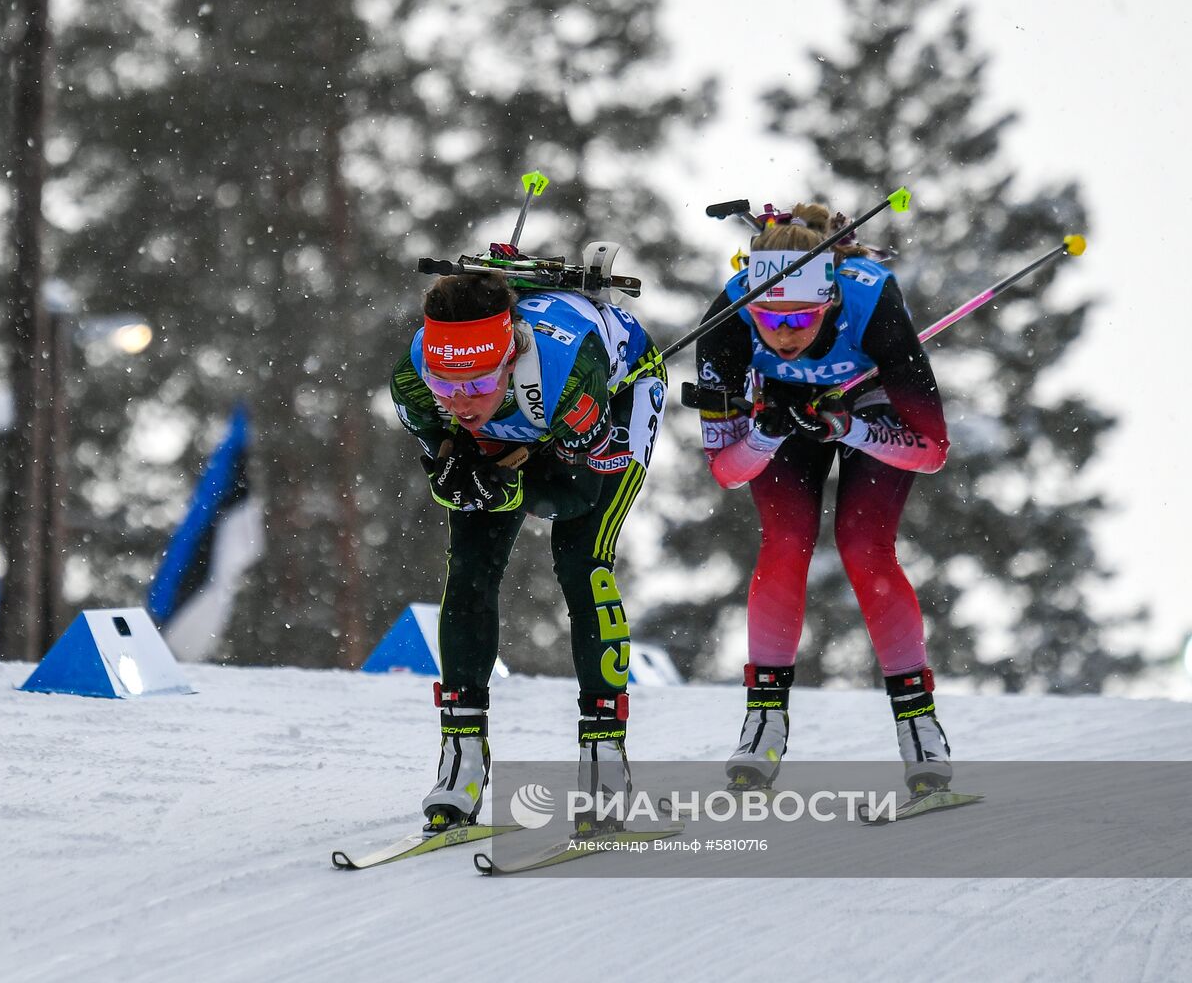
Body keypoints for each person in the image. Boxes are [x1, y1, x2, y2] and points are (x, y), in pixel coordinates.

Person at [390, 271, 666, 836]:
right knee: (468, 566)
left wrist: (506, 482)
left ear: (510, 355)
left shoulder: (566, 373)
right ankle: (461, 762)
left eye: (475, 382)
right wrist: (459, 468)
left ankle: (605, 764)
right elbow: (445, 458)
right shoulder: (415, 378)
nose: (460, 400)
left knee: (581, 557)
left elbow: (573, 494)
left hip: (614, 400)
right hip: (529, 423)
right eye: (446, 385)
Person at [693, 203, 952, 796]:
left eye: (801, 318)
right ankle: (764, 720)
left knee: (863, 546)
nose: (783, 334)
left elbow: (932, 448)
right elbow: (727, 472)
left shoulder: (872, 301)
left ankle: (920, 727)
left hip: (869, 402)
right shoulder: (727, 323)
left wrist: (847, 429)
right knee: (784, 543)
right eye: (769, 318)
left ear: (829, 301)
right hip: (781, 410)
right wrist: (764, 431)